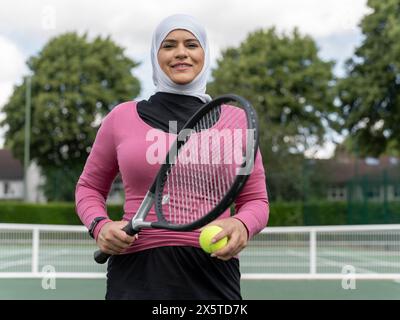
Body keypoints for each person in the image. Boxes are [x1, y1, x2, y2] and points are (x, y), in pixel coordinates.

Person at [75, 14, 269, 300]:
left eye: (191, 44)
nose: (181, 53)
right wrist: (100, 225)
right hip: (135, 274)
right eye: (169, 45)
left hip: (214, 275)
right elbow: (88, 188)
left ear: (204, 53)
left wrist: (242, 224)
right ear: (155, 55)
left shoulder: (237, 120)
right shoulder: (121, 117)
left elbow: (256, 200)